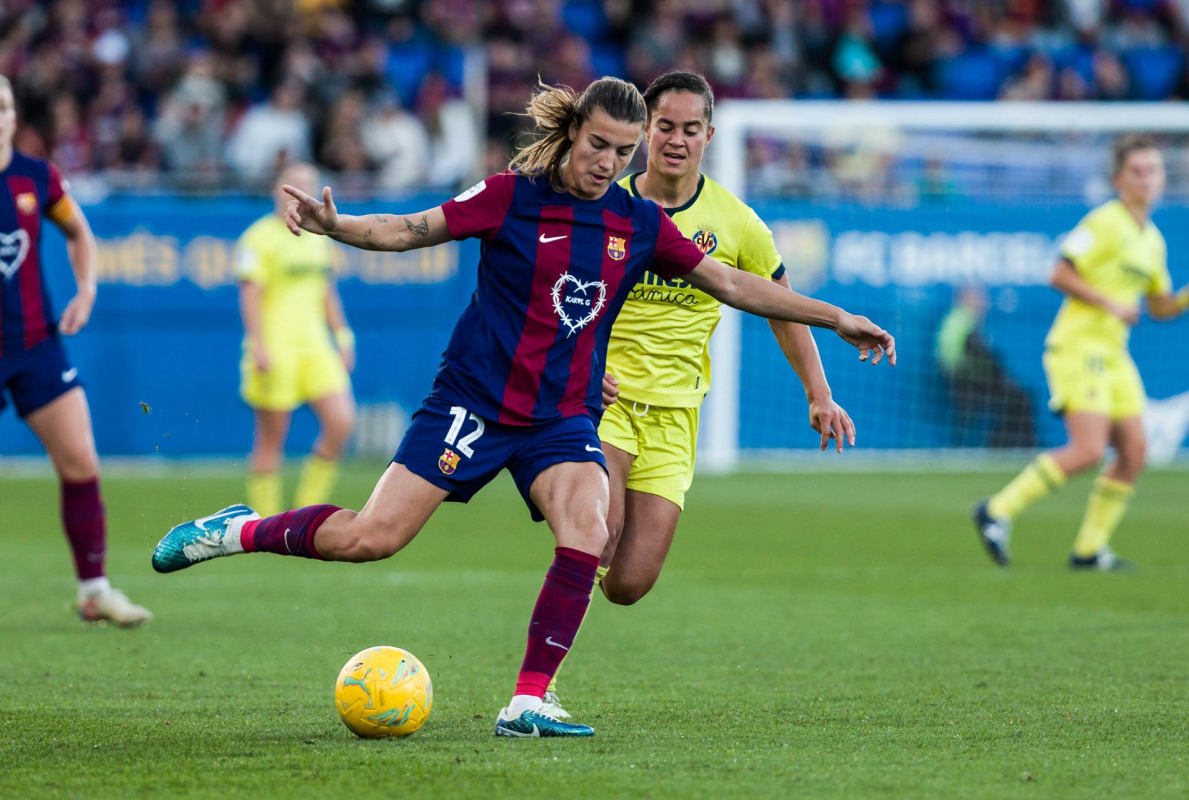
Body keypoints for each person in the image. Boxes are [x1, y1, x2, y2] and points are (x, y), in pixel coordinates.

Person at [152, 77, 895, 737]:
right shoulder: (510, 195)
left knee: (588, 531)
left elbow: (735, 284)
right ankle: (237, 530)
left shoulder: (637, 223)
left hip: (561, 417)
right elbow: (411, 230)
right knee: (372, 538)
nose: (609, 163)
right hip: (474, 402)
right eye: (599, 144)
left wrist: (835, 316)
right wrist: (337, 227)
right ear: (572, 133)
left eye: (623, 151)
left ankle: (529, 700)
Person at [543, 71, 855, 716]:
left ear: (709, 135)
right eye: (665, 127)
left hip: (677, 415)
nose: (676, 140)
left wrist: (818, 393)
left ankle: (576, 576)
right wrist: (572, 362)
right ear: (645, 132)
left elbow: (779, 306)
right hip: (603, 403)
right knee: (597, 532)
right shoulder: (607, 203)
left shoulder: (738, 225)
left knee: (629, 583)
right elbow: (552, 291)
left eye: (690, 129)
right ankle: (535, 687)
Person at [973, 134, 1189, 570]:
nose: (1146, 179)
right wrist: (1109, 302)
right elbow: (1058, 272)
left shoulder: (1153, 240)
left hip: (1114, 352)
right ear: (1118, 179)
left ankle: (1089, 550)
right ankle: (996, 511)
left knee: (1134, 451)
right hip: (1078, 345)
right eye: (1137, 171)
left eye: (1153, 171)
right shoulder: (1105, 221)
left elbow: (1159, 306)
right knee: (1089, 450)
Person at [0, 73, 151, 626]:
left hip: (37, 345)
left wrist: (86, 290)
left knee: (81, 461)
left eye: (3, 106)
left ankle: (94, 589)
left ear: (14, 115)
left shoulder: (37, 177)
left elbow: (79, 232)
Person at [236, 162, 356, 516]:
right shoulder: (258, 237)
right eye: (293, 185)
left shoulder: (320, 236)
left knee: (341, 422)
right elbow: (250, 295)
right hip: (276, 347)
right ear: (277, 189)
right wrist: (258, 344)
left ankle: (306, 510)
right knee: (271, 439)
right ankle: (264, 523)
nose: (300, 191)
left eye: (307, 184)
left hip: (315, 347)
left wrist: (343, 337)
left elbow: (326, 291)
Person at [935, 286, 1036, 449]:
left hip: (964, 380)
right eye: (980, 298)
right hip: (969, 383)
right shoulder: (964, 322)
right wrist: (999, 376)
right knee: (1018, 398)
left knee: (1013, 396)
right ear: (967, 299)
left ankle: (1004, 443)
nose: (984, 303)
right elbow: (977, 357)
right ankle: (1007, 444)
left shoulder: (955, 320)